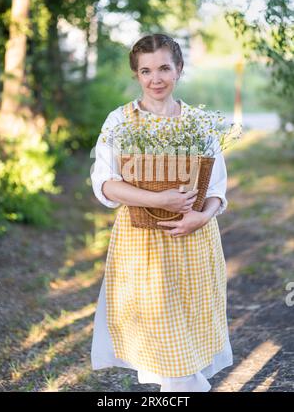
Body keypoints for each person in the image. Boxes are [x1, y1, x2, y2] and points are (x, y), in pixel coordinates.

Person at [90, 33, 233, 392]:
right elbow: (105, 183)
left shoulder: (199, 124)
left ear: (179, 69)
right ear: (137, 75)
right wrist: (158, 200)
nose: (156, 79)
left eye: (165, 68)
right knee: (159, 339)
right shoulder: (120, 121)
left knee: (187, 336)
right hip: (143, 246)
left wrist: (203, 216)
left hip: (195, 240)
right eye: (146, 70)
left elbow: (216, 188)